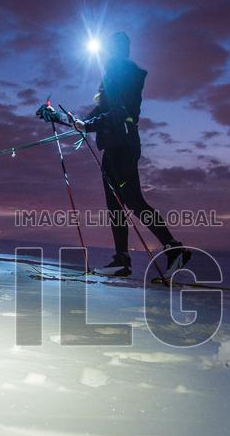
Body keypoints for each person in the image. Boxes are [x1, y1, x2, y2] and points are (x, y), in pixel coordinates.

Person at [37, 31, 189, 277]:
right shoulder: (112, 77)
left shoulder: (123, 76)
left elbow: (117, 114)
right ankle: (123, 260)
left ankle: (173, 249)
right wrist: (59, 117)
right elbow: (94, 116)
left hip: (123, 145)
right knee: (117, 206)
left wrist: (86, 126)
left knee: (132, 201)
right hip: (114, 145)